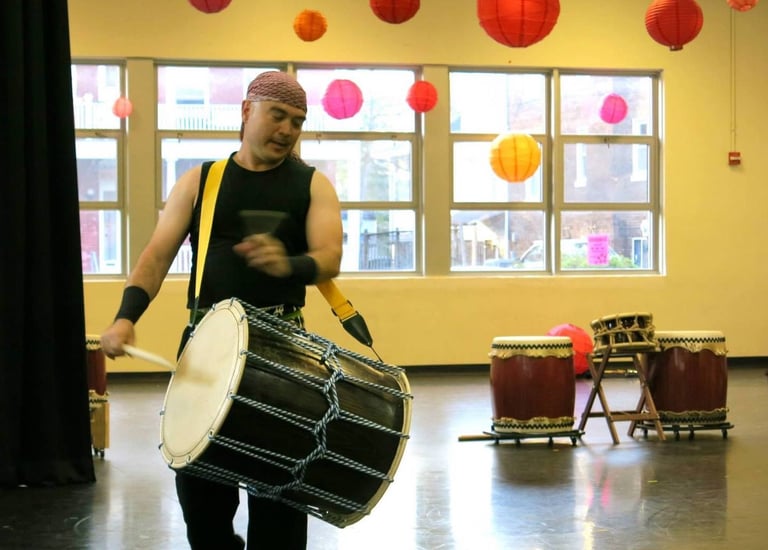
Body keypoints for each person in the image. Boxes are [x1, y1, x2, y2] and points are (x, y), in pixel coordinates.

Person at [100, 71, 343, 549]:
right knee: (202, 496)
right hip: (205, 347)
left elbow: (329, 256)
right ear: (247, 110)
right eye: (278, 115)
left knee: (279, 498)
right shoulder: (202, 180)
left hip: (284, 355)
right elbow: (155, 258)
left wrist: (288, 262)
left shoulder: (313, 184)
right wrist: (126, 316)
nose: (288, 130)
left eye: (298, 121)